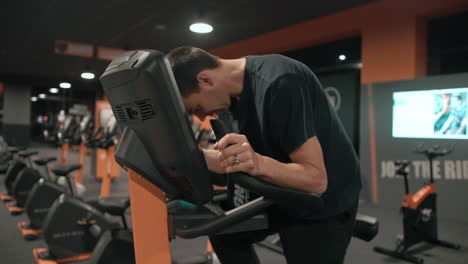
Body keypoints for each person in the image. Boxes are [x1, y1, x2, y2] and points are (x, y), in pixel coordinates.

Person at [166, 47, 361, 264]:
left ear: (205, 80)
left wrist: (256, 163)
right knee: (225, 233)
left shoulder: (280, 82)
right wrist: (190, 157)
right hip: (281, 191)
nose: (201, 116)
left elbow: (316, 180)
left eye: (197, 108)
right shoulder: (227, 100)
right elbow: (235, 160)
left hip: (323, 202)